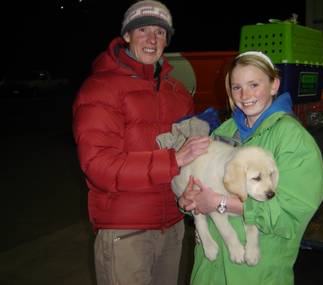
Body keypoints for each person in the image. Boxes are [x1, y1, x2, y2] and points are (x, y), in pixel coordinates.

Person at [72, 1, 210, 284]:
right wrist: (172, 160)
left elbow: (192, 158)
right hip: (126, 232)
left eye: (160, 33)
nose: (151, 39)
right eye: (142, 30)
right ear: (126, 35)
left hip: (172, 227)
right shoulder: (100, 89)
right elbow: (98, 166)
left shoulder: (178, 92)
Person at [179, 51, 323, 285]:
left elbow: (291, 216)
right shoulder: (223, 132)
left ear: (274, 85)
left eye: (254, 84)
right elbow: (200, 191)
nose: (245, 95)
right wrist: (189, 200)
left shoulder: (292, 139)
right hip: (210, 271)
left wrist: (222, 203)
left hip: (256, 273)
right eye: (236, 87)